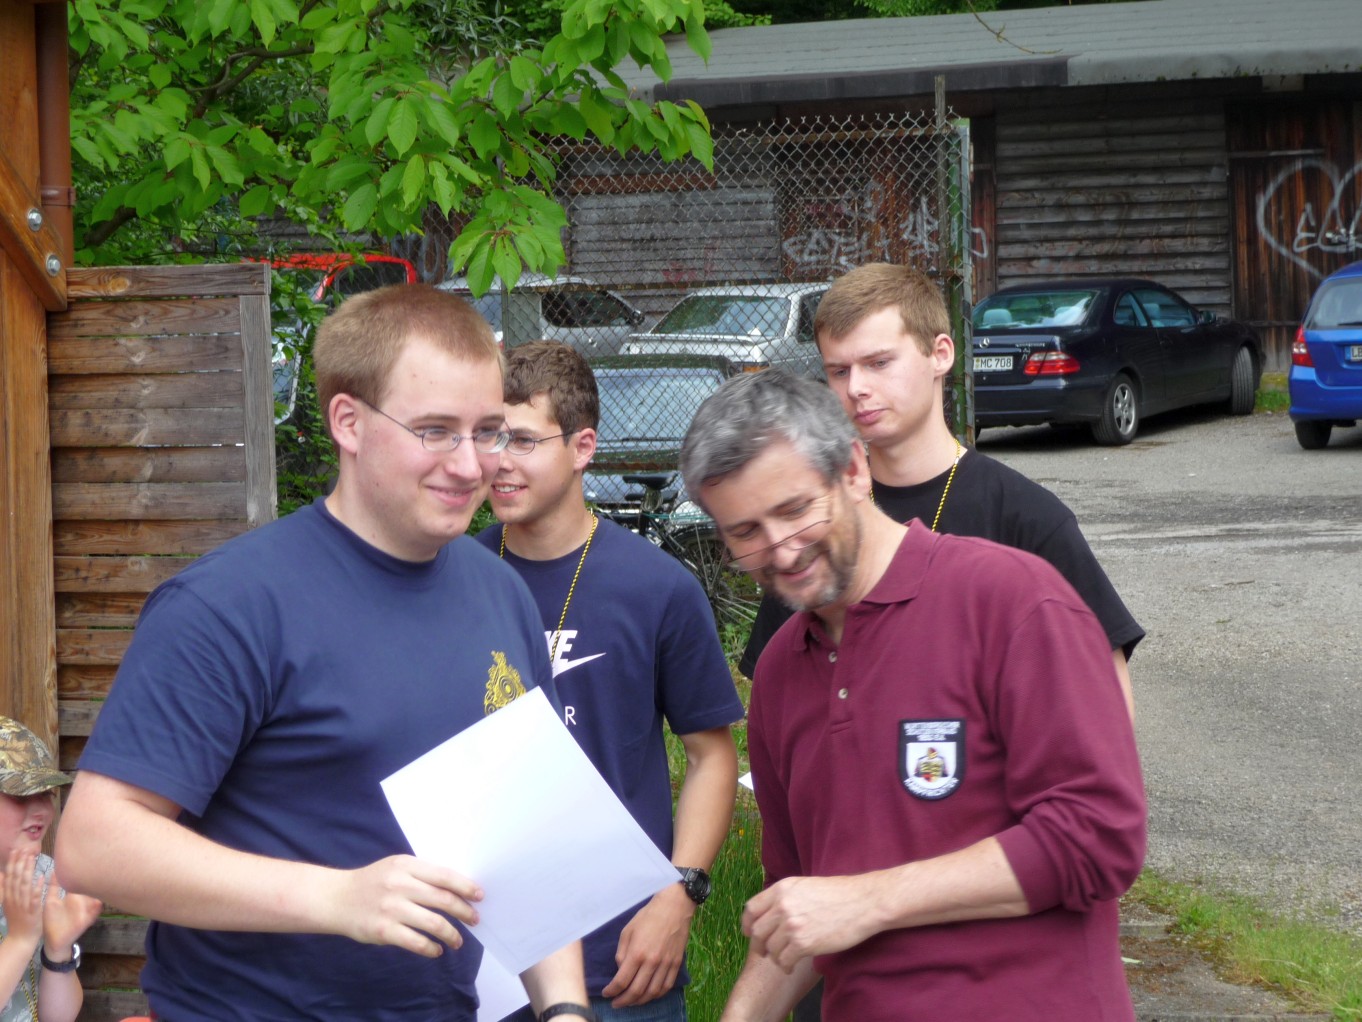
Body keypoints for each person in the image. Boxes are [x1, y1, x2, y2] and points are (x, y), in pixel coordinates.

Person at [55, 285, 592, 1022]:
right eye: (436, 431)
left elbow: (526, 828)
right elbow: (95, 843)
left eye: (488, 431)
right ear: (348, 422)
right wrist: (335, 898)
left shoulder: (502, 593)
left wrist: (565, 1009)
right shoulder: (230, 604)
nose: (473, 465)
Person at [679, 370, 1147, 1020]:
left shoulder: (1009, 600)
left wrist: (870, 899)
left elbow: (1099, 839)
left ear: (853, 470)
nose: (780, 552)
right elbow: (801, 909)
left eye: (794, 511)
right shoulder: (782, 670)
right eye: (745, 533)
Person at [740, 262, 1143, 722]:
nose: (856, 388)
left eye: (878, 363)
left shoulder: (1025, 517)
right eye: (838, 370)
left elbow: (1108, 702)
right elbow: (776, 698)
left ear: (940, 354)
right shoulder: (816, 519)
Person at [476, 342, 743, 1022]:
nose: (500, 461)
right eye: (489, 437)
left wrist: (678, 895)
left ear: (583, 447)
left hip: (623, 956)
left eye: (523, 440)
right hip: (486, 953)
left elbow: (712, 756)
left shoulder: (657, 588)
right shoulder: (453, 579)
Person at [0, 717, 102, 1022]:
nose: (41, 808)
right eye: (21, 794)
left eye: (46, 793)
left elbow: (57, 1018)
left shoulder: (46, 876)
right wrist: (20, 940)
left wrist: (58, 951)